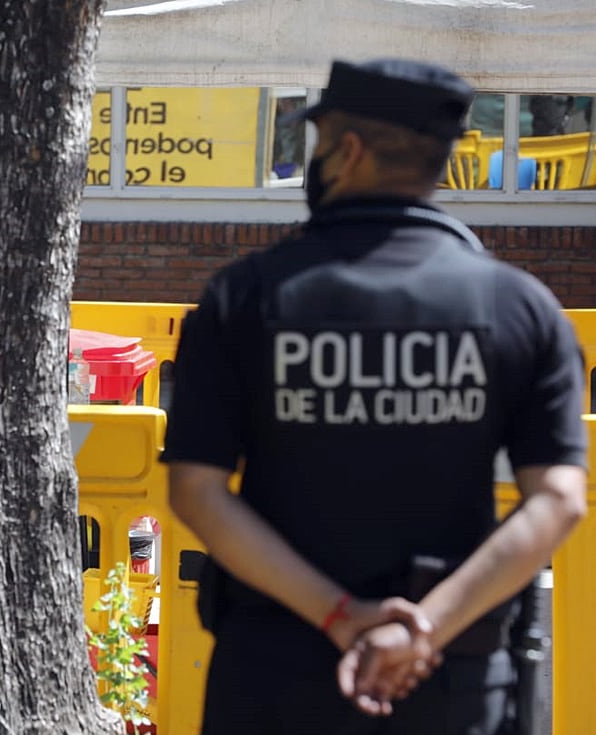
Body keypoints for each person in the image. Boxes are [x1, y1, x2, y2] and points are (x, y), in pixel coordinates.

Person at [162, 58, 588, 734]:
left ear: (348, 149)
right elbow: (559, 499)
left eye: (320, 140)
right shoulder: (521, 308)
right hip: (452, 681)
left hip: (276, 677)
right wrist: (424, 628)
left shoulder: (244, 297)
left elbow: (195, 490)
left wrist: (340, 614)